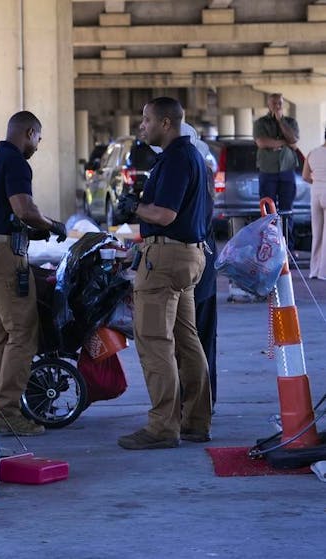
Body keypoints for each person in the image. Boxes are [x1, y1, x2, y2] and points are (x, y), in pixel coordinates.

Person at [118, 97, 212, 450]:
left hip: (165, 259)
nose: (142, 126)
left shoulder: (174, 159)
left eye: (146, 120)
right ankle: (196, 422)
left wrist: (136, 207)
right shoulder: (193, 156)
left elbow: (165, 215)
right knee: (187, 341)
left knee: (155, 342)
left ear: (166, 123)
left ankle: (162, 427)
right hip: (189, 258)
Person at [0, 111, 67, 437]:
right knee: (23, 333)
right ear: (29, 132)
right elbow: (24, 208)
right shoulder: (16, 162)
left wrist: (29, 231)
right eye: (38, 138)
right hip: (2, 257)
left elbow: (1, 212)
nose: (37, 145)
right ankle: (8, 413)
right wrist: (52, 225)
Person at [182, 122, 219, 407]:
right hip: (205, 259)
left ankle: (195, 403)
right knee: (203, 334)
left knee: (190, 337)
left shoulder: (186, 171)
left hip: (194, 262)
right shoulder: (202, 170)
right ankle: (204, 401)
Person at [254, 93, 300, 246]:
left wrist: (281, 121)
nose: (277, 106)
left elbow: (293, 139)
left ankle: (287, 247)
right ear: (268, 105)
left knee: (287, 210)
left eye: (279, 103)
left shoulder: (291, 122)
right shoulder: (261, 123)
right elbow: (262, 142)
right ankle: (270, 246)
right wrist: (284, 143)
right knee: (268, 210)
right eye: (274, 103)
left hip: (287, 169)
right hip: (268, 170)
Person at [302, 126, 326, 279]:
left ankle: (314, 271)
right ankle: (324, 272)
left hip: (315, 192)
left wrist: (317, 182)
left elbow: (305, 176)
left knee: (317, 233)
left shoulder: (313, 153)